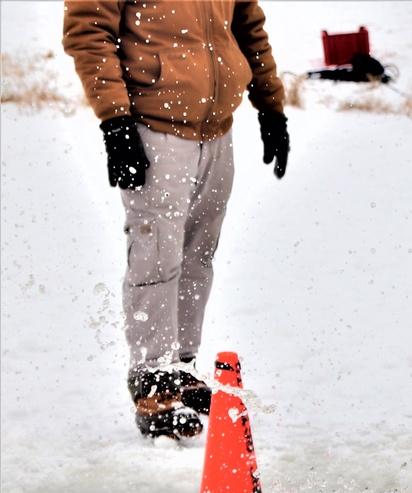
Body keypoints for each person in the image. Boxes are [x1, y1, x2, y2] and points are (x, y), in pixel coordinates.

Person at [63, 2, 288, 440]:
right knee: (156, 254)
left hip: (216, 126)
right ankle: (152, 382)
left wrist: (270, 104)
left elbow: (248, 24)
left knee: (198, 255)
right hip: (153, 123)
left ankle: (181, 367)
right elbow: (89, 30)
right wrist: (115, 121)